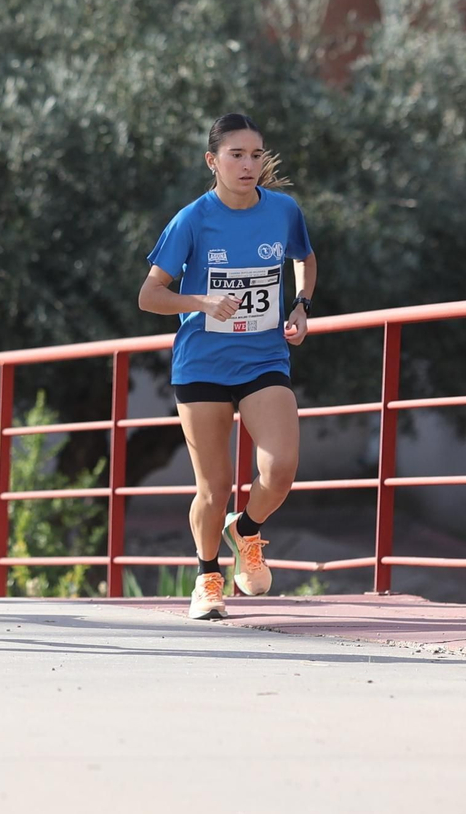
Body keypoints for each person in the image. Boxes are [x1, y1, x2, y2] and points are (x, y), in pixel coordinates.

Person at [138, 113, 317, 620]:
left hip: (264, 357)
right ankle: (207, 577)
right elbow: (149, 295)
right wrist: (201, 302)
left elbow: (304, 257)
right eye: (236, 155)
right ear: (212, 162)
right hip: (203, 365)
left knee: (280, 468)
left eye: (255, 155)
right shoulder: (192, 219)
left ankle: (247, 530)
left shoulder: (283, 211)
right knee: (213, 487)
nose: (247, 164)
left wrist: (301, 305)